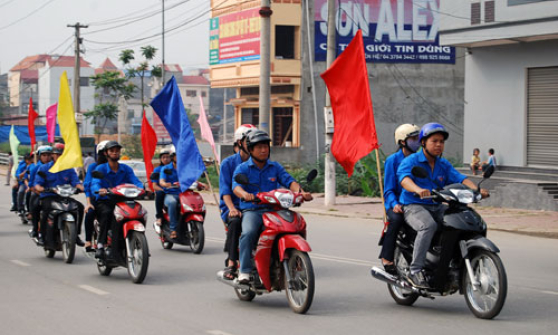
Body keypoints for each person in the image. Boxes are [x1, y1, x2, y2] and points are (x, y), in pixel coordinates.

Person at [397, 123, 489, 288]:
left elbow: (460, 178)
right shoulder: (412, 160)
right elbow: (404, 179)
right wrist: (418, 190)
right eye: (434, 141)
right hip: (414, 205)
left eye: (441, 141)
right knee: (428, 226)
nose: (439, 145)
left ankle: (451, 262)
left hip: (437, 205)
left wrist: (477, 190)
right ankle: (415, 271)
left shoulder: (443, 164)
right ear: (423, 142)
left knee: (460, 221)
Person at [232, 130, 313, 284]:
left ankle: (295, 263)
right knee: (248, 233)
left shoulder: (275, 167)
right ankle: (244, 270)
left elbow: (290, 182)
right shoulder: (243, 169)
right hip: (253, 210)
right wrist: (244, 194)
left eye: (266, 146)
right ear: (250, 150)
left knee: (297, 225)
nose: (264, 150)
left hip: (275, 209)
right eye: (259, 147)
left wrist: (302, 193)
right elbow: (236, 187)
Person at [378, 124, 420, 275]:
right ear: (403, 142)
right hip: (396, 202)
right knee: (396, 220)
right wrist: (395, 204)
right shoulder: (393, 160)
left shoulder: (421, 159)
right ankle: (387, 257)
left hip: (417, 202)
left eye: (418, 138)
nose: (418, 141)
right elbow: (388, 189)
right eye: (413, 139)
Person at [91, 141, 143, 261]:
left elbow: (135, 181)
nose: (115, 152)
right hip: (106, 200)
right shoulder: (101, 169)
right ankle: (101, 245)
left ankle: (137, 243)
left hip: (123, 200)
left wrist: (142, 188)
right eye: (112, 150)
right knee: (107, 213)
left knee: (140, 212)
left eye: (117, 150)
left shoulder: (126, 169)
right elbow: (95, 183)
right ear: (106, 153)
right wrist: (99, 190)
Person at [219, 124, 256, 280]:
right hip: (233, 206)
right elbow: (226, 191)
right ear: (240, 143)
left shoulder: (261, 162)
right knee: (235, 221)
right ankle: (232, 262)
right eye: (250, 141)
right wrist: (232, 208)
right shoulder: (228, 164)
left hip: (256, 206)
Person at [34, 144, 85, 246]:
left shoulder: (69, 169)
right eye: (57, 154)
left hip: (64, 196)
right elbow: (37, 185)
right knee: (46, 211)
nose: (59, 157)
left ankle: (76, 234)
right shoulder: (44, 168)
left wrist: (84, 189)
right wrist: (44, 189)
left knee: (79, 207)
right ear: (53, 155)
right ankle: (42, 235)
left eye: (62, 154)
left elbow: (76, 182)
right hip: (49, 197)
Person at [82, 140, 109, 252]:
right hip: (97, 198)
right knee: (90, 212)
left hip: (115, 197)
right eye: (106, 152)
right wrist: (88, 203)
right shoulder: (93, 167)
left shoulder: (118, 167)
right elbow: (88, 185)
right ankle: (89, 240)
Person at [28, 146, 53, 239]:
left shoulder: (55, 166)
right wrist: (39, 191)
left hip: (55, 193)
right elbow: (31, 185)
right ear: (39, 156)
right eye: (44, 155)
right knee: (35, 206)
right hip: (40, 193)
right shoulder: (35, 168)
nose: (46, 157)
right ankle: (35, 228)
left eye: (48, 155)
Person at [152, 146, 173, 233]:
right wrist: (163, 189)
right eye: (163, 157)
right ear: (160, 159)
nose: (165, 159)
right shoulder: (158, 169)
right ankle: (159, 217)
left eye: (167, 157)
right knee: (159, 193)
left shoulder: (175, 167)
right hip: (164, 192)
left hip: (175, 191)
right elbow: (154, 186)